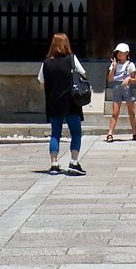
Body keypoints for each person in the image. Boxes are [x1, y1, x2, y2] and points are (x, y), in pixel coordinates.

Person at [36, 32, 87, 175]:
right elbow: (83, 73)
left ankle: (54, 164)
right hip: (71, 101)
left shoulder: (46, 62)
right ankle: (74, 162)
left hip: (53, 101)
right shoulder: (71, 59)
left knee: (55, 133)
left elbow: (41, 82)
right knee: (76, 132)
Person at [104, 42, 136, 142]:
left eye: (122, 52)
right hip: (117, 87)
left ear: (127, 53)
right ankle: (110, 133)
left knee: (131, 112)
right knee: (115, 112)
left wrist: (128, 79)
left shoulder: (130, 65)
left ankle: (135, 132)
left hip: (127, 88)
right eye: (118, 52)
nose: (119, 54)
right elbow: (110, 79)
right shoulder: (114, 64)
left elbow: (135, 79)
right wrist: (113, 67)